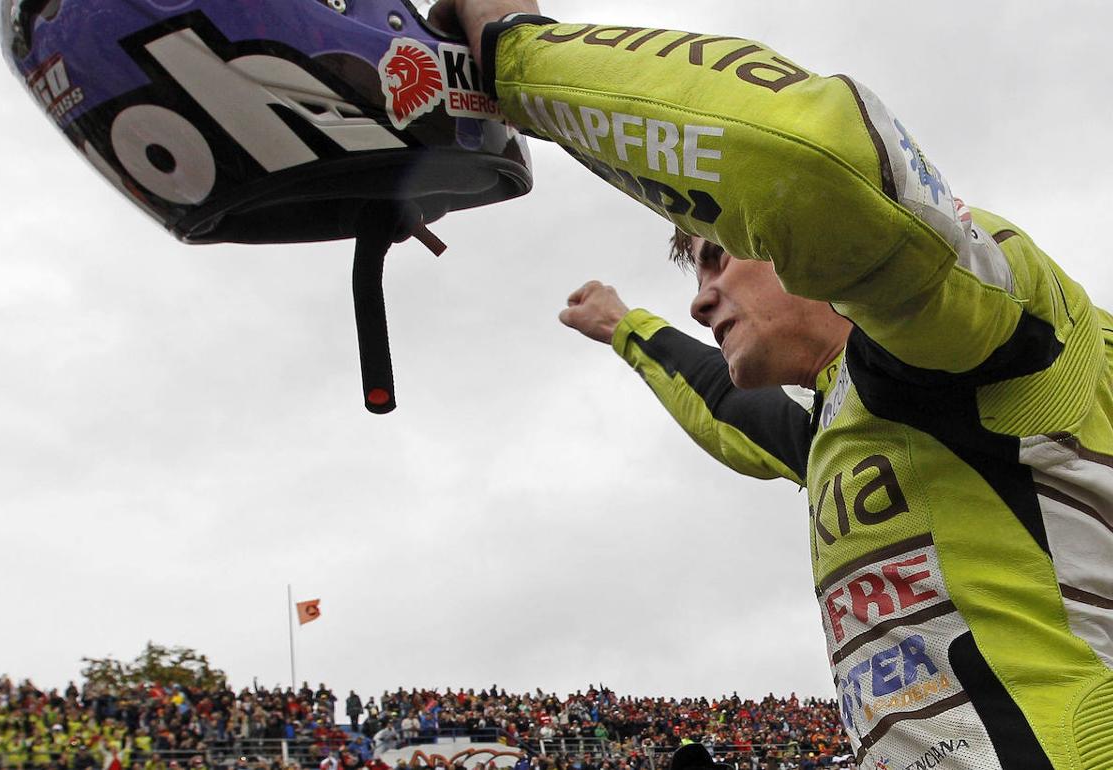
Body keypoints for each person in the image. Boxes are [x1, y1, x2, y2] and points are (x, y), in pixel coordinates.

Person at [427, 2, 1113, 769]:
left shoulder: (990, 319)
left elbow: (817, 162)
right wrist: (624, 326)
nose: (700, 300)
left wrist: (514, 51)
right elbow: (726, 406)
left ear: (780, 243)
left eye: (716, 257)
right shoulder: (841, 420)